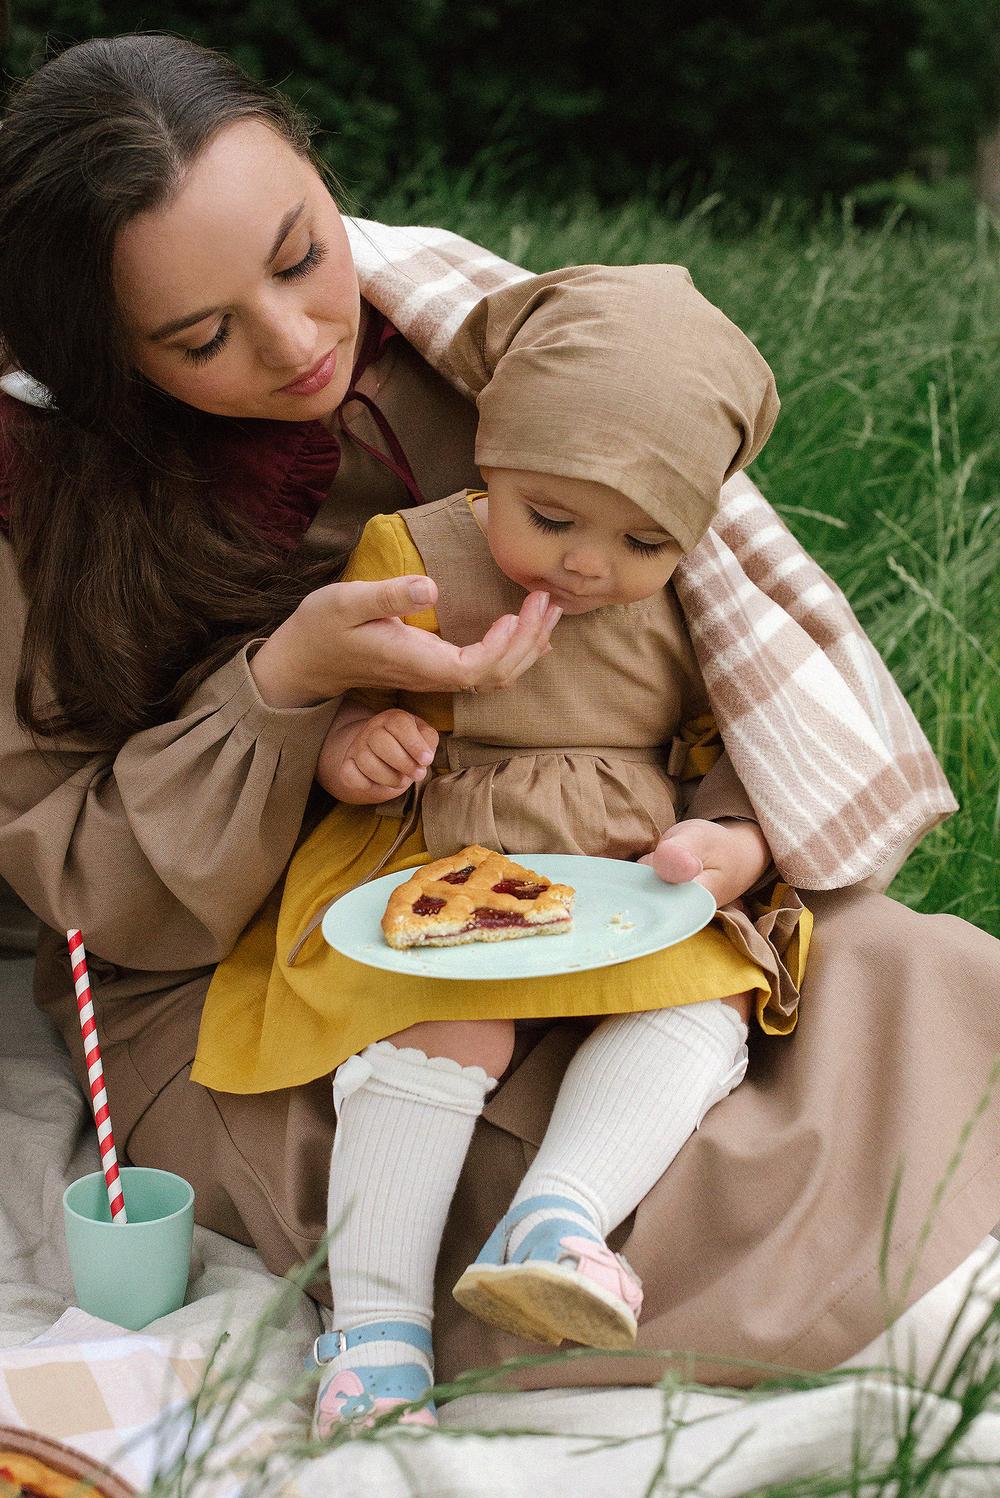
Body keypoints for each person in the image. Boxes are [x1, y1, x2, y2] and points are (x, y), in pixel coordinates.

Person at [0, 31, 997, 1422]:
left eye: (302, 256)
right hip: (252, 926)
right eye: (200, 337)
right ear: (101, 353)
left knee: (895, 991)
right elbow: (88, 880)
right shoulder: (47, 502)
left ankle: (592, 1215)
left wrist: (729, 824)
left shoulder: (494, 348)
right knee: (455, 1129)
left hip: (595, 854)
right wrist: (285, 691)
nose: (297, 344)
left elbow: (701, 632)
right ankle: (425, 1316)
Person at [196, 266, 798, 1432]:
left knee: (702, 997)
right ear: (492, 460)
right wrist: (355, 749)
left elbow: (745, 737)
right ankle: (374, 1329)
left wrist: (727, 838)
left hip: (628, 871)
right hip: (443, 852)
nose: (584, 564)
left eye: (637, 538)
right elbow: (332, 702)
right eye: (551, 517)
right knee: (439, 1017)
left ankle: (560, 1218)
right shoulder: (411, 554)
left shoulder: (691, 601)